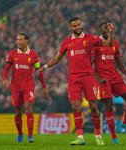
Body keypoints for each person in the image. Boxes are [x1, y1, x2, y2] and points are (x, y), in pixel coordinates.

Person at [36, 17, 114, 145]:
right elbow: (57, 58)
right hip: (73, 78)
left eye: (79, 25)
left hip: (88, 77)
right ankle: (80, 137)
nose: (77, 27)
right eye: (75, 26)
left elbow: (107, 43)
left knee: (93, 106)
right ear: (71, 27)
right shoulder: (67, 42)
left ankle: (98, 135)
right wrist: (44, 67)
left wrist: (110, 32)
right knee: (75, 106)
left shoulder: (90, 38)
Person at [91, 21, 126, 144]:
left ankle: (125, 123)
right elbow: (89, 65)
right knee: (109, 106)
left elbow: (120, 63)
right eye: (105, 28)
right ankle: (114, 138)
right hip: (103, 80)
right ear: (101, 30)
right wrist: (98, 79)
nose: (107, 29)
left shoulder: (115, 44)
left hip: (116, 77)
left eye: (109, 28)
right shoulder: (96, 45)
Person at [3, 33, 48, 143]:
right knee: (18, 113)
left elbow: (39, 72)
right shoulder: (12, 53)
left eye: (21, 40)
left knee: (28, 108)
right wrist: (5, 79)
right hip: (16, 87)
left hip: (28, 86)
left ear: (26, 41)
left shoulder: (33, 55)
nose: (18, 42)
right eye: (17, 40)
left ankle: (30, 136)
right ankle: (20, 134)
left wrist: (44, 86)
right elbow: (6, 68)